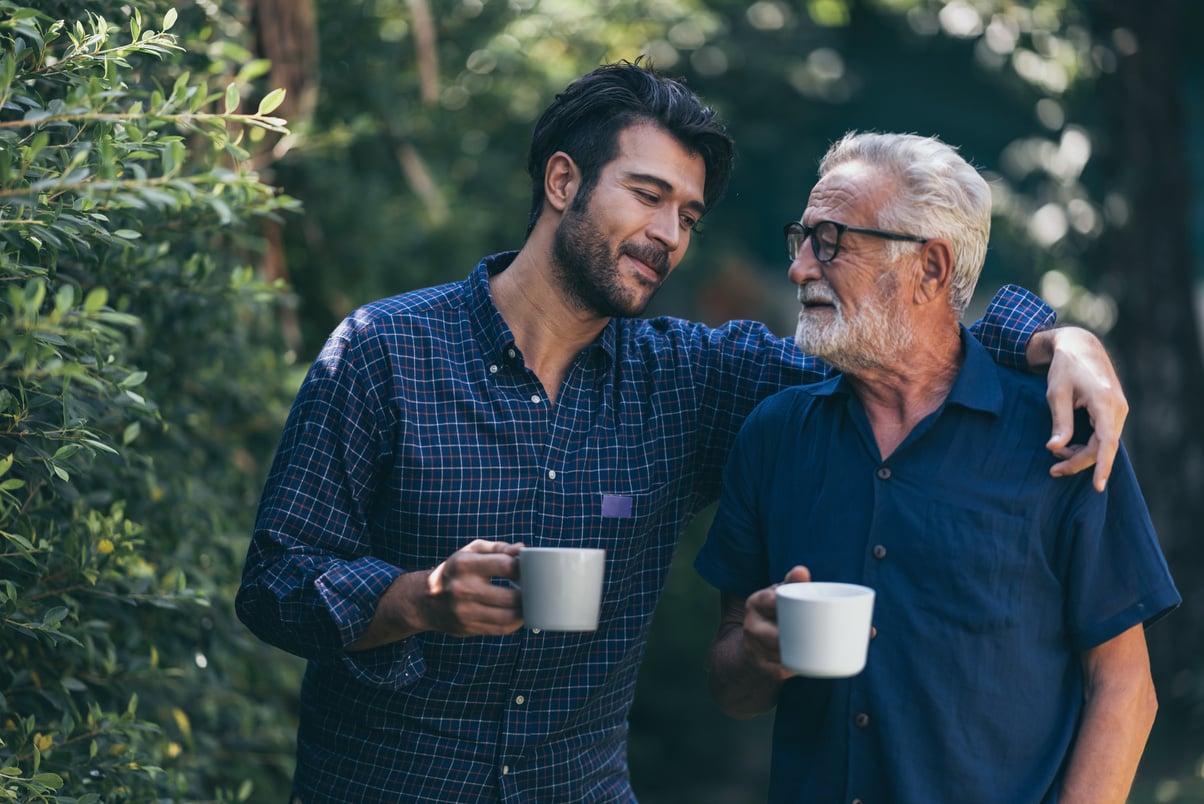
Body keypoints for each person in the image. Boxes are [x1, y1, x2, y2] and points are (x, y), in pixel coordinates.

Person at [236, 61, 1129, 802]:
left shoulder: (692, 381)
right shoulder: (388, 350)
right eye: (649, 195)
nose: (669, 234)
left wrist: (1054, 337)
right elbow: (275, 579)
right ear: (562, 182)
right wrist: (415, 600)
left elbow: (897, 340)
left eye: (689, 216)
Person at [696, 131, 1180, 804]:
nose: (801, 268)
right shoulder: (773, 436)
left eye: (832, 241)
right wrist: (756, 654)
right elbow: (731, 687)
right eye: (801, 240)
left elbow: (1125, 688)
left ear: (931, 268)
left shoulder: (1062, 433)